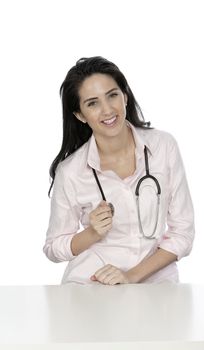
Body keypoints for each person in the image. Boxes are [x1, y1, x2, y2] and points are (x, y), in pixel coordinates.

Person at [43, 56, 195, 285]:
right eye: (92, 103)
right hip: (92, 282)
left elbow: (182, 233)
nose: (107, 110)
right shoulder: (71, 171)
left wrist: (130, 276)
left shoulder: (163, 146)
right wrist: (92, 233)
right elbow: (53, 248)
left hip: (155, 283)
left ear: (125, 96)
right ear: (80, 115)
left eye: (112, 95)